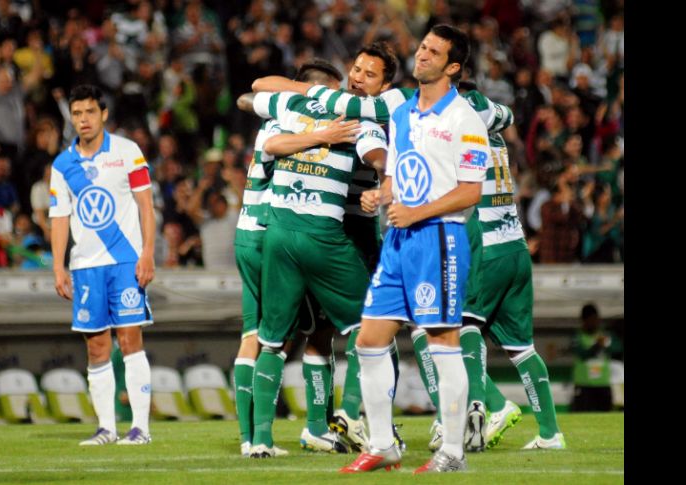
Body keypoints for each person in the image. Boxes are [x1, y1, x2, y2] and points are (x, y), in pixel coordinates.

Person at [340, 25, 487, 474]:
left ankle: (453, 454)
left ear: (454, 67)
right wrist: (382, 195)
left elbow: (471, 192)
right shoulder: (403, 112)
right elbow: (399, 173)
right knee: (369, 340)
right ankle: (384, 445)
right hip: (400, 239)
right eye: (423, 47)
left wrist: (417, 212)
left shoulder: (464, 119)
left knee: (443, 340)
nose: (421, 55)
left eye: (433, 52)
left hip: (438, 239)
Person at [238, 66, 388, 460]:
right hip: (323, 235)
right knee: (372, 320)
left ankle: (260, 440)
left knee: (271, 340)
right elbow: (377, 154)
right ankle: (350, 411)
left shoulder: (287, 104)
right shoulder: (360, 117)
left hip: (277, 234)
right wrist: (384, 174)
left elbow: (252, 99)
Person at [425, 80, 565, 453]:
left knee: (465, 325)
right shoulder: (496, 135)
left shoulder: (462, 126)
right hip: (515, 247)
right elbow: (503, 113)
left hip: (485, 246)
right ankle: (551, 434)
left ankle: (475, 413)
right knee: (522, 348)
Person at [49, 85, 155, 446]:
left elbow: (145, 206)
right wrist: (59, 268)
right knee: (96, 346)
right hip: (85, 266)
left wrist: (148, 253)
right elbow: (60, 218)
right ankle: (107, 428)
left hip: (125, 259)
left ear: (103, 114)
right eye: (77, 113)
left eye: (89, 112)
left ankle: (140, 428)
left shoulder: (128, 152)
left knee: (129, 340)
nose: (83, 120)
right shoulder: (63, 165)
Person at [571, 303, 621, 411]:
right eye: (590, 319)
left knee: (606, 417)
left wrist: (606, 346)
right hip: (584, 385)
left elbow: (618, 348)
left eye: (595, 319)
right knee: (581, 416)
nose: (594, 322)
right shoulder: (577, 336)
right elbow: (582, 354)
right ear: (583, 320)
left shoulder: (606, 335)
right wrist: (597, 346)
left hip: (603, 384)